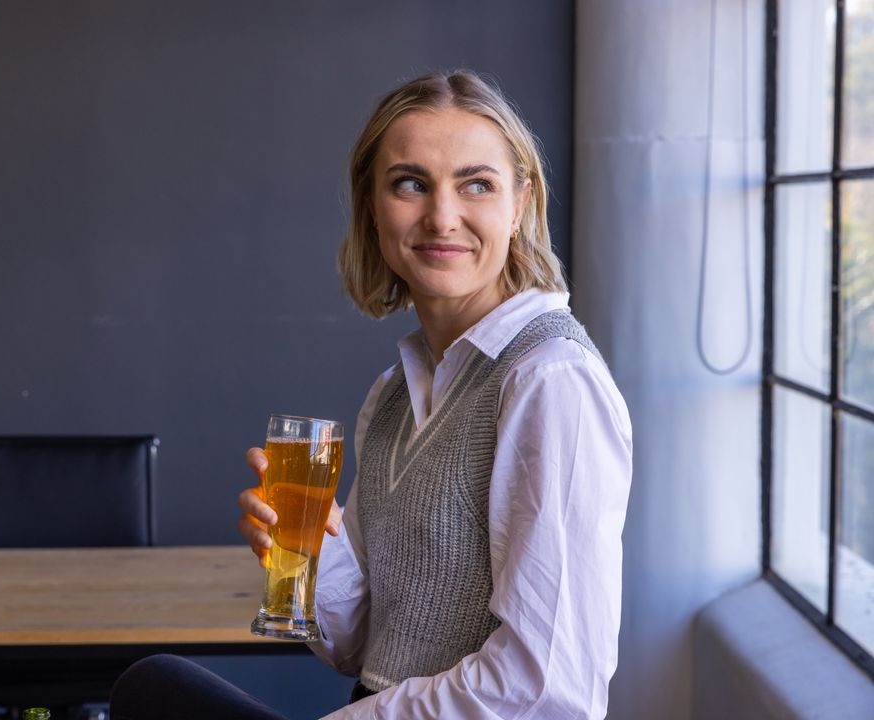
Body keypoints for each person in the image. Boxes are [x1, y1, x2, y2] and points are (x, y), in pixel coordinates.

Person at [111, 69, 633, 720]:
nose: (443, 216)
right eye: (411, 183)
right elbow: (361, 645)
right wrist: (306, 556)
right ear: (371, 205)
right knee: (150, 685)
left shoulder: (550, 381)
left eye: (477, 184)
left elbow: (548, 686)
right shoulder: (392, 396)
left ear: (519, 204)